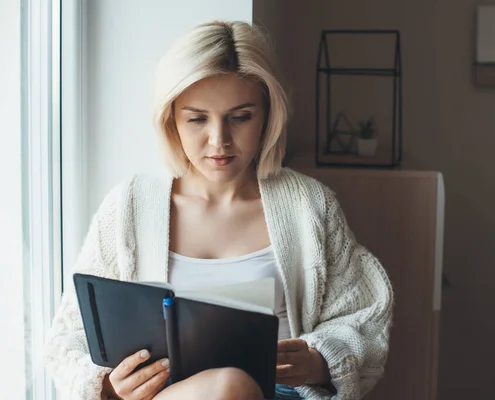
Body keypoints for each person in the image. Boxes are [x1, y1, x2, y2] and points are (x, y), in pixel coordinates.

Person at [43, 20, 393, 400]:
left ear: (267, 115)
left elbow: (364, 321)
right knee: (226, 386)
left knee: (231, 386)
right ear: (171, 120)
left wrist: (319, 359)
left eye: (240, 117)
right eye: (197, 119)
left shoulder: (309, 205)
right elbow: (68, 340)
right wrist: (109, 386)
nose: (219, 140)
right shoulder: (128, 206)